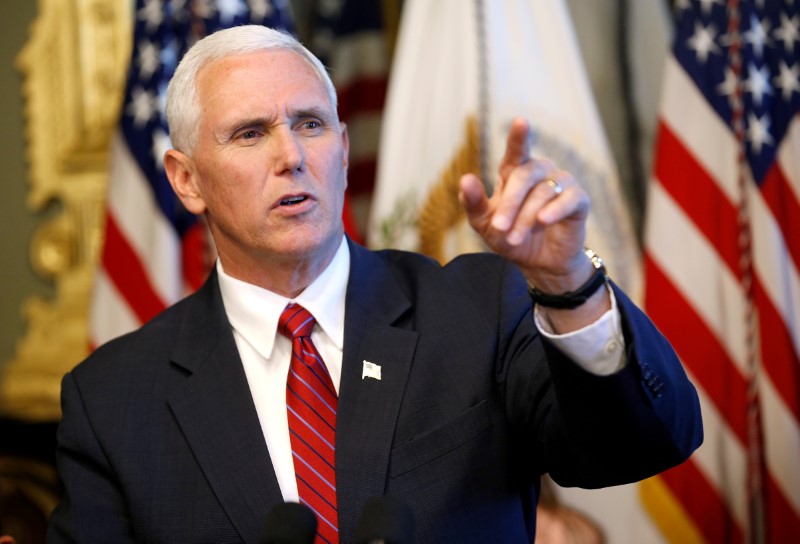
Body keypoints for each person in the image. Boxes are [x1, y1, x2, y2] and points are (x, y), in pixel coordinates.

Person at [46, 25, 702, 543]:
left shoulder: (476, 309)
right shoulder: (112, 400)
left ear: (340, 142)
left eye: (309, 124)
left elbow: (639, 446)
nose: (291, 156)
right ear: (186, 179)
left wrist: (568, 282)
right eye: (251, 133)